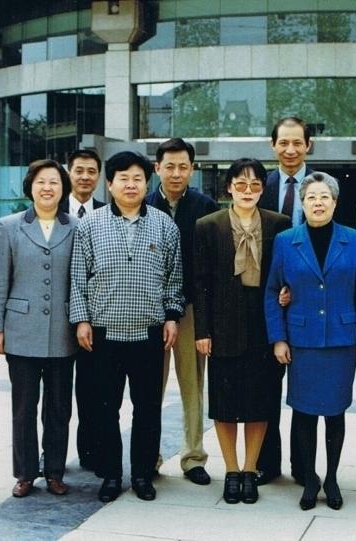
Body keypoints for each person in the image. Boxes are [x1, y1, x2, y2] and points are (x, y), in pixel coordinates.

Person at [70, 151, 184, 503]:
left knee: (148, 408)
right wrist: (82, 320)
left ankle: (142, 474)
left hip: (149, 333)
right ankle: (111, 474)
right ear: (110, 184)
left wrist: (172, 316)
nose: (131, 185)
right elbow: (78, 277)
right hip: (103, 333)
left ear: (147, 183)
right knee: (105, 408)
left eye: (137, 178)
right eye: (123, 178)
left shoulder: (165, 225)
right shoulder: (90, 224)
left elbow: (174, 278)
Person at [265, 172, 356, 511]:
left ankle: (332, 478)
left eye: (324, 197)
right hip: (302, 340)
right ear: (302, 202)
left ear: (335, 202)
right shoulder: (286, 240)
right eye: (311, 197)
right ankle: (310, 478)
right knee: (304, 411)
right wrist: (278, 338)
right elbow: (272, 291)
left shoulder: (354, 240)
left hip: (342, 339)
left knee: (335, 411)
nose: (318, 203)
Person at [193, 158, 291, 504]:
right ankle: (231, 471)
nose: (247, 191)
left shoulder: (278, 224)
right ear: (229, 188)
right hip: (223, 324)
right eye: (240, 184)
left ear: (262, 189)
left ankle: (250, 470)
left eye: (255, 185)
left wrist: (287, 292)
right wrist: (202, 331)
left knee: (259, 401)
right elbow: (200, 283)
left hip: (264, 322)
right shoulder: (209, 225)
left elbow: (287, 272)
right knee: (224, 402)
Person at [0, 159, 79, 498]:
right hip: (21, 330)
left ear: (63, 188)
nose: (47, 188)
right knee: (24, 407)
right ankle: (25, 473)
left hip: (63, 332)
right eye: (41, 181)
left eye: (54, 182)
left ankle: (54, 471)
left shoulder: (76, 227)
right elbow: (0, 280)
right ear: (30, 186)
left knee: (59, 408)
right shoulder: (9, 226)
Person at [145, 138, 219, 486]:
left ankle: (193, 457)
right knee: (151, 386)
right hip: (150, 310)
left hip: (190, 309)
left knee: (192, 384)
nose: (176, 173)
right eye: (169, 166)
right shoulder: (143, 205)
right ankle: (150, 455)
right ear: (157, 168)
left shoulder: (206, 207)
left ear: (192, 169)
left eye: (183, 167)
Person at [257, 116, 314, 486]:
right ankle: (268, 462)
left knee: (306, 390)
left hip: (311, 303)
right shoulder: (260, 185)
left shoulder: (324, 187)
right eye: (284, 143)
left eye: (297, 143)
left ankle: (303, 465)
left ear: (308, 145)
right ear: (273, 145)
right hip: (269, 301)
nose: (290, 150)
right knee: (268, 386)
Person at [64, 148, 105, 472]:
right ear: (69, 172)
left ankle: (90, 450)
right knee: (56, 393)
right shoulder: (51, 211)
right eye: (79, 170)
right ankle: (51, 455)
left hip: (94, 317)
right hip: (55, 316)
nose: (85, 177)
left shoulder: (107, 213)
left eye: (92, 171)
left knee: (92, 388)